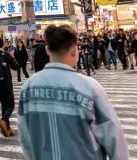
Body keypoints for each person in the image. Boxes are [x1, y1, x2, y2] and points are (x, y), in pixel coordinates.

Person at [18, 25, 128, 159]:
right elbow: (112, 135)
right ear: (75, 51)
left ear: (47, 50)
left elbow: (25, 137)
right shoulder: (88, 86)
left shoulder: (28, 87)